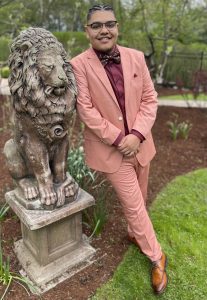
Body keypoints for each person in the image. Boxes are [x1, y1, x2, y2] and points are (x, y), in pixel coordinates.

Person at [70, 4, 168, 295]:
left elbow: (151, 99)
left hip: (141, 144)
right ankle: (157, 256)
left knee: (141, 195)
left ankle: (133, 233)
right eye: (97, 25)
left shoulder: (136, 57)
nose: (104, 30)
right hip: (110, 149)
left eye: (109, 24)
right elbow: (85, 110)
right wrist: (119, 138)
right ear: (87, 31)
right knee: (134, 204)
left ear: (117, 27)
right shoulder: (78, 65)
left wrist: (136, 135)